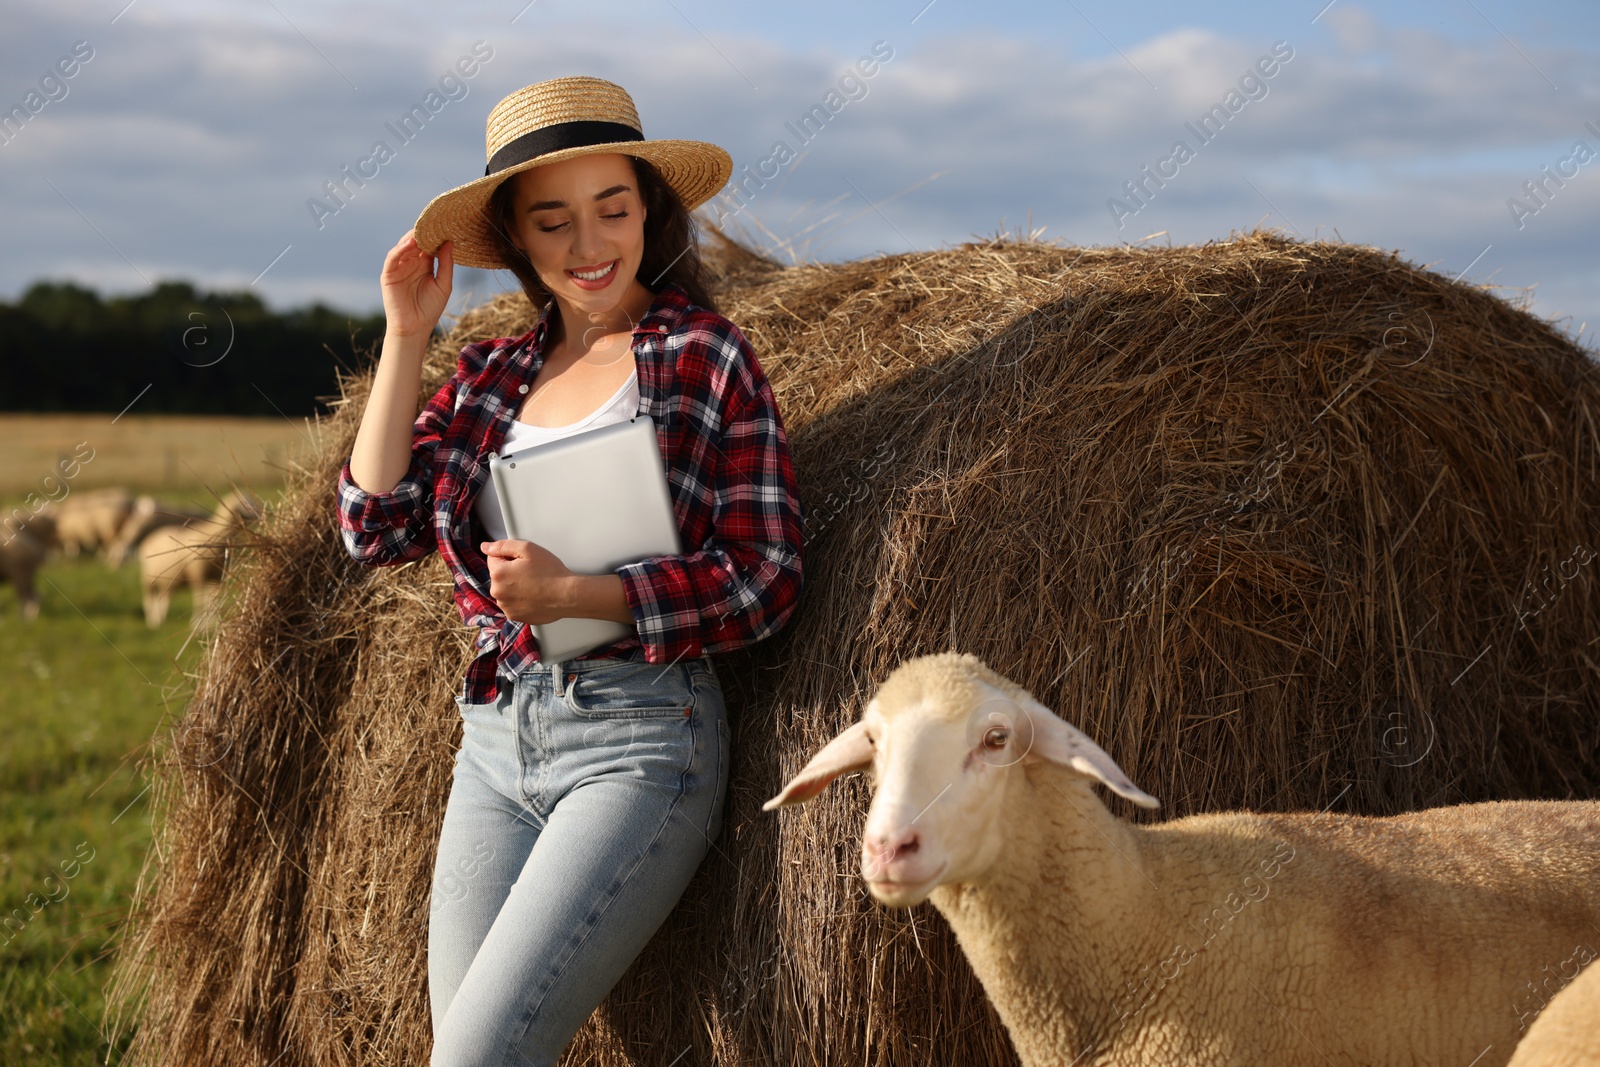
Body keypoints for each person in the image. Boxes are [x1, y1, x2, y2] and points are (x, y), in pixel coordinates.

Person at [334, 75, 804, 1066]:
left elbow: (766, 576)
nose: (588, 246)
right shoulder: (486, 376)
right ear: (513, 237)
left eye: (613, 210)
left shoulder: (703, 354)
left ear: (648, 211)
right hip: (494, 745)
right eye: (553, 222)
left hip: (640, 740)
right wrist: (407, 332)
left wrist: (583, 596)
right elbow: (374, 526)